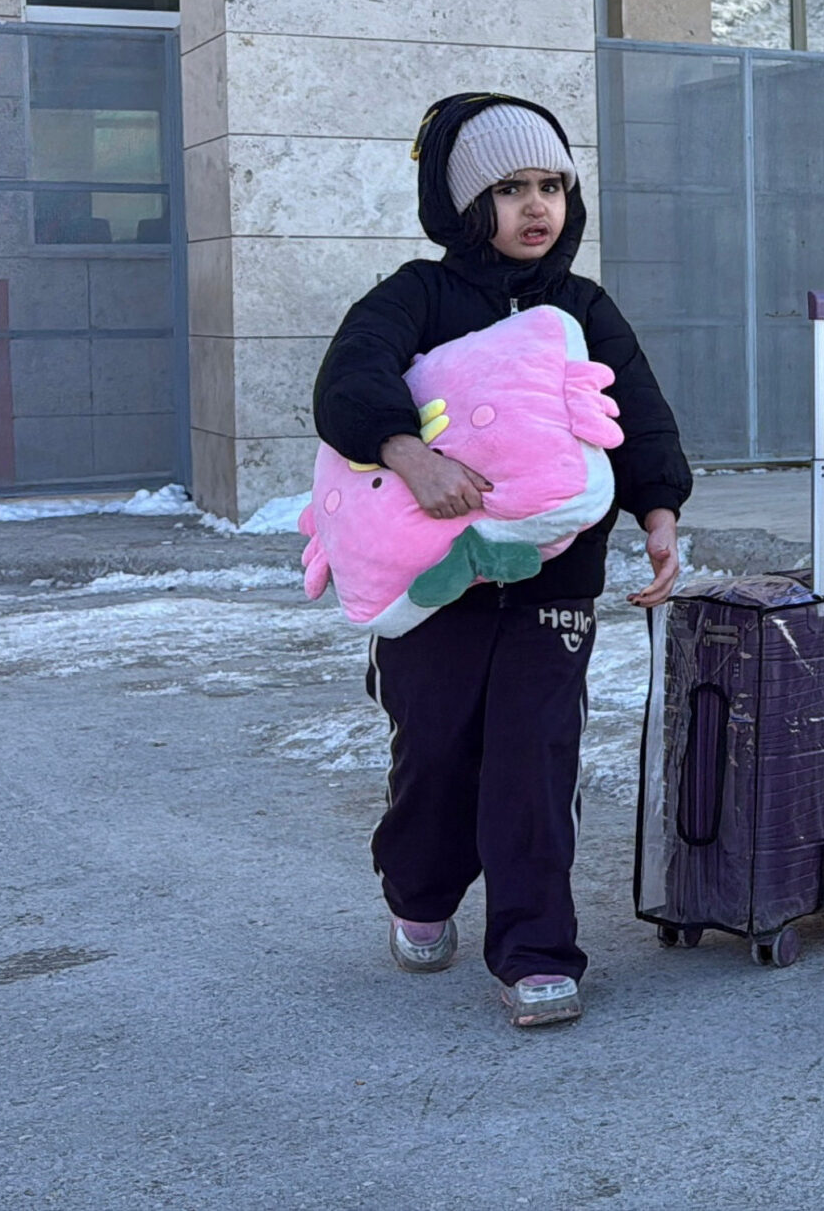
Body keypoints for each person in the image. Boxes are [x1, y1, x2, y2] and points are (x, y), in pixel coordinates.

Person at [313, 95, 692, 1028]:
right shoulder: (416, 294)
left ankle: (535, 952)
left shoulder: (584, 306)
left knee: (534, 758)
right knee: (436, 755)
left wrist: (659, 513)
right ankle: (420, 888)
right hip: (431, 588)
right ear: (460, 203)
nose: (538, 207)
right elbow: (348, 381)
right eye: (511, 188)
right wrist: (410, 454)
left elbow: (637, 417)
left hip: (552, 581)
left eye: (553, 185)